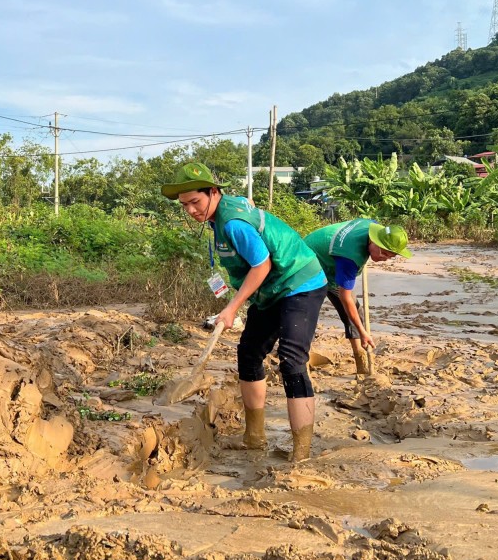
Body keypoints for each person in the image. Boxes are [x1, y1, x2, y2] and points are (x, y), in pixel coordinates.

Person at [162, 161, 327, 462]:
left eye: (195, 202)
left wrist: (230, 308)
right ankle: (254, 438)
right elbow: (244, 205)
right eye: (184, 205)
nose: (190, 211)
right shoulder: (221, 215)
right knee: (249, 353)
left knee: (291, 362)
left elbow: (261, 265)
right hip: (271, 290)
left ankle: (301, 453)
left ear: (213, 192)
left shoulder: (234, 224)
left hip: (300, 281)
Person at [303, 219, 412, 374]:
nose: (384, 259)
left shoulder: (374, 227)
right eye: (384, 253)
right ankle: (301, 365)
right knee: (305, 317)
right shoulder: (350, 256)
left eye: (390, 257)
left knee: (356, 315)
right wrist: (363, 331)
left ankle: (361, 366)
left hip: (332, 265)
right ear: (373, 241)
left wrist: (361, 330)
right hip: (308, 264)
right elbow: (345, 297)